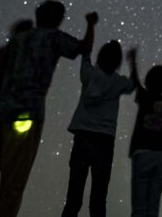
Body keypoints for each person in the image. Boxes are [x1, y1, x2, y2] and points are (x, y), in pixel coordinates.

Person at [0, 1, 97, 217]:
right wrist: (91, 24)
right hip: (26, 117)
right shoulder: (54, 37)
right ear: (59, 19)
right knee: (11, 187)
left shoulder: (18, 39)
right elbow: (85, 48)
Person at [61, 39, 136, 217]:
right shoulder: (118, 83)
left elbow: (85, 51)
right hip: (104, 141)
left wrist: (90, 26)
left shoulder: (88, 74)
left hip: (82, 138)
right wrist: (132, 62)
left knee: (73, 198)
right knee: (98, 199)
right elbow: (133, 84)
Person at [127, 48, 162, 217]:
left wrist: (132, 62)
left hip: (142, 152)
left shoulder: (145, 97)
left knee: (139, 206)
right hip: (160, 156)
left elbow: (136, 82)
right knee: (153, 207)